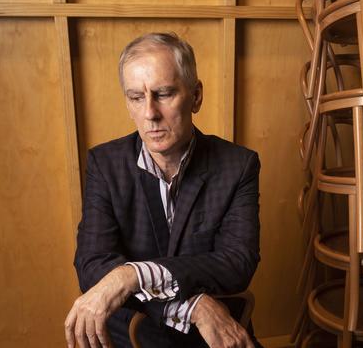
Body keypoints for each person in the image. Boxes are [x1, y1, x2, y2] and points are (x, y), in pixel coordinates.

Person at [64, 32, 261, 348]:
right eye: (136, 97)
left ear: (196, 96)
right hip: (132, 332)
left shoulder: (238, 165)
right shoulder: (104, 163)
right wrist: (190, 307)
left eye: (164, 93)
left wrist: (131, 276)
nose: (150, 113)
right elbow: (92, 266)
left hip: (212, 335)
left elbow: (237, 264)